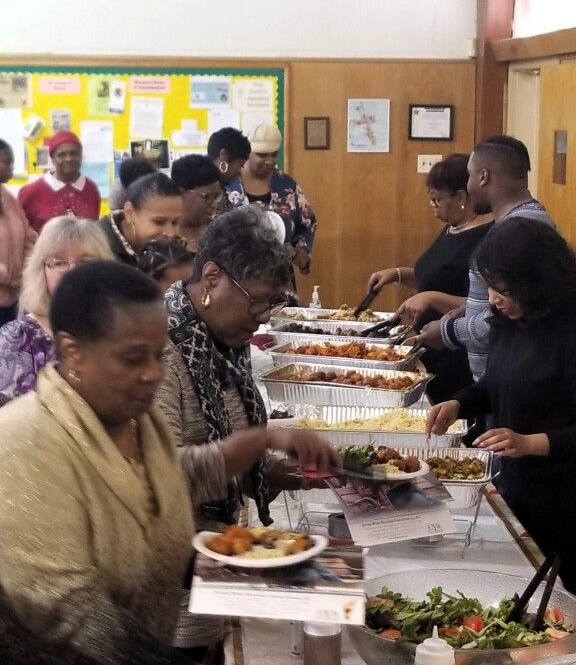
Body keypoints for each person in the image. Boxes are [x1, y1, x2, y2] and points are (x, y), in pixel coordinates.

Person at [154, 206, 339, 661]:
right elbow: (161, 481)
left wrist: (280, 474)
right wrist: (262, 442)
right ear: (212, 277)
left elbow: (223, 460)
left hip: (212, 577)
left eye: (271, 305)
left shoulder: (221, 345)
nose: (260, 317)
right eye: (256, 301)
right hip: (166, 602)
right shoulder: (159, 352)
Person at [0, 261, 196, 664]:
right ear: (73, 352)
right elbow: (70, 610)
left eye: (159, 356)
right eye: (133, 359)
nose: (154, 374)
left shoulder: (145, 425)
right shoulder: (22, 440)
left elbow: (156, 536)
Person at [426, 218, 576, 593]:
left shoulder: (568, 332)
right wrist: (459, 403)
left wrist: (530, 443)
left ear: (536, 281)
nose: (493, 299)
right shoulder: (514, 320)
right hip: (517, 487)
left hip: (563, 499)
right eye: (491, 287)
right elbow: (497, 382)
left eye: (504, 289)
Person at [418, 136, 553, 381]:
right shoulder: (513, 223)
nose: (468, 186)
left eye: (469, 176)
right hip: (495, 379)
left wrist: (447, 332)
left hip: (515, 378)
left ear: (483, 177)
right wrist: (466, 309)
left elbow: (513, 316)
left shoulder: (520, 230)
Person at [367, 155, 492, 402]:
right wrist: (396, 274)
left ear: (460, 198)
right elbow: (436, 277)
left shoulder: (487, 238)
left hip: (458, 355)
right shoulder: (452, 227)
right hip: (432, 350)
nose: (432, 205)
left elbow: (484, 304)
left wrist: (432, 298)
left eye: (437, 199)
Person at [0, 215, 112, 407]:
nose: (72, 272)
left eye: (85, 262)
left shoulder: (118, 329)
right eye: (59, 263)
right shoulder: (16, 338)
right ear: (41, 270)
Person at [226, 123, 317, 283]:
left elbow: (308, 222)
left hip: (279, 279)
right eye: (262, 155)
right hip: (236, 279)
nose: (270, 161)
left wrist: (302, 250)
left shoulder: (286, 185)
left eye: (274, 155)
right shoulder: (229, 185)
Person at [17, 131, 101, 232]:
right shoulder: (30, 192)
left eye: (74, 153)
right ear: (52, 158)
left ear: (81, 156)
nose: (68, 158)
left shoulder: (91, 189)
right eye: (61, 155)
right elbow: (19, 231)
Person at [99, 171, 183, 265]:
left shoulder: (177, 248)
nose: (170, 233)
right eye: (159, 222)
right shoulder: (94, 251)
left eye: (175, 222)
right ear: (130, 213)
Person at [0, 139, 36, 326]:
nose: (12, 167)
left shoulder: (8, 198)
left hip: (12, 299)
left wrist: (28, 269)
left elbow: (27, 235)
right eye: (7, 161)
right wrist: (7, 276)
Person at [170, 154, 223, 252]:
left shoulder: (217, 236)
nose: (215, 204)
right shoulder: (166, 238)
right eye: (207, 197)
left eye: (217, 197)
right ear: (181, 192)